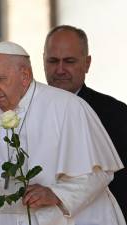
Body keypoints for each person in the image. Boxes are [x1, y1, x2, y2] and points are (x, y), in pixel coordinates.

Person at [0, 41, 125, 225]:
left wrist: (57, 194)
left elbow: (99, 173)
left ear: (25, 75)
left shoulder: (68, 107)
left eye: (0, 79)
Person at [44, 25, 127, 219]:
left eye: (69, 61)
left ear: (87, 63)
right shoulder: (24, 112)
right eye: (53, 61)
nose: (60, 69)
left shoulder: (116, 114)